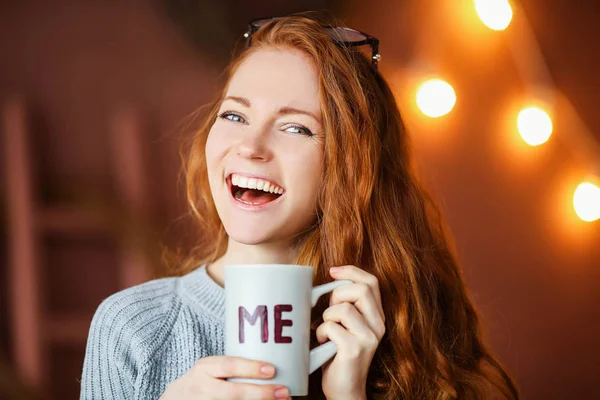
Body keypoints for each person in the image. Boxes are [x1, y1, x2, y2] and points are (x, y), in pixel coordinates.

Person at [80, 12, 520, 400]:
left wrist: (347, 395)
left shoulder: (404, 337)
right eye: (234, 116)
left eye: (296, 128)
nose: (250, 146)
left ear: (350, 168)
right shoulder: (133, 328)